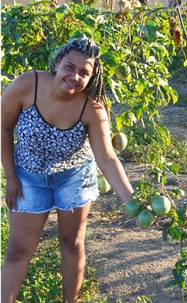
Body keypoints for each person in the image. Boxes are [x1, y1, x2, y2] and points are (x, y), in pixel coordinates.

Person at [1, 37, 135, 303]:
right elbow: (2, 127)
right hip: (28, 176)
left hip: (73, 179)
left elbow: (107, 158)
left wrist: (134, 201)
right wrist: (11, 177)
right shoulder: (27, 85)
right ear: (58, 62)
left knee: (72, 245)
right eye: (70, 67)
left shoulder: (92, 109)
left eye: (84, 73)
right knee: (18, 252)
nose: (75, 77)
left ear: (92, 77)